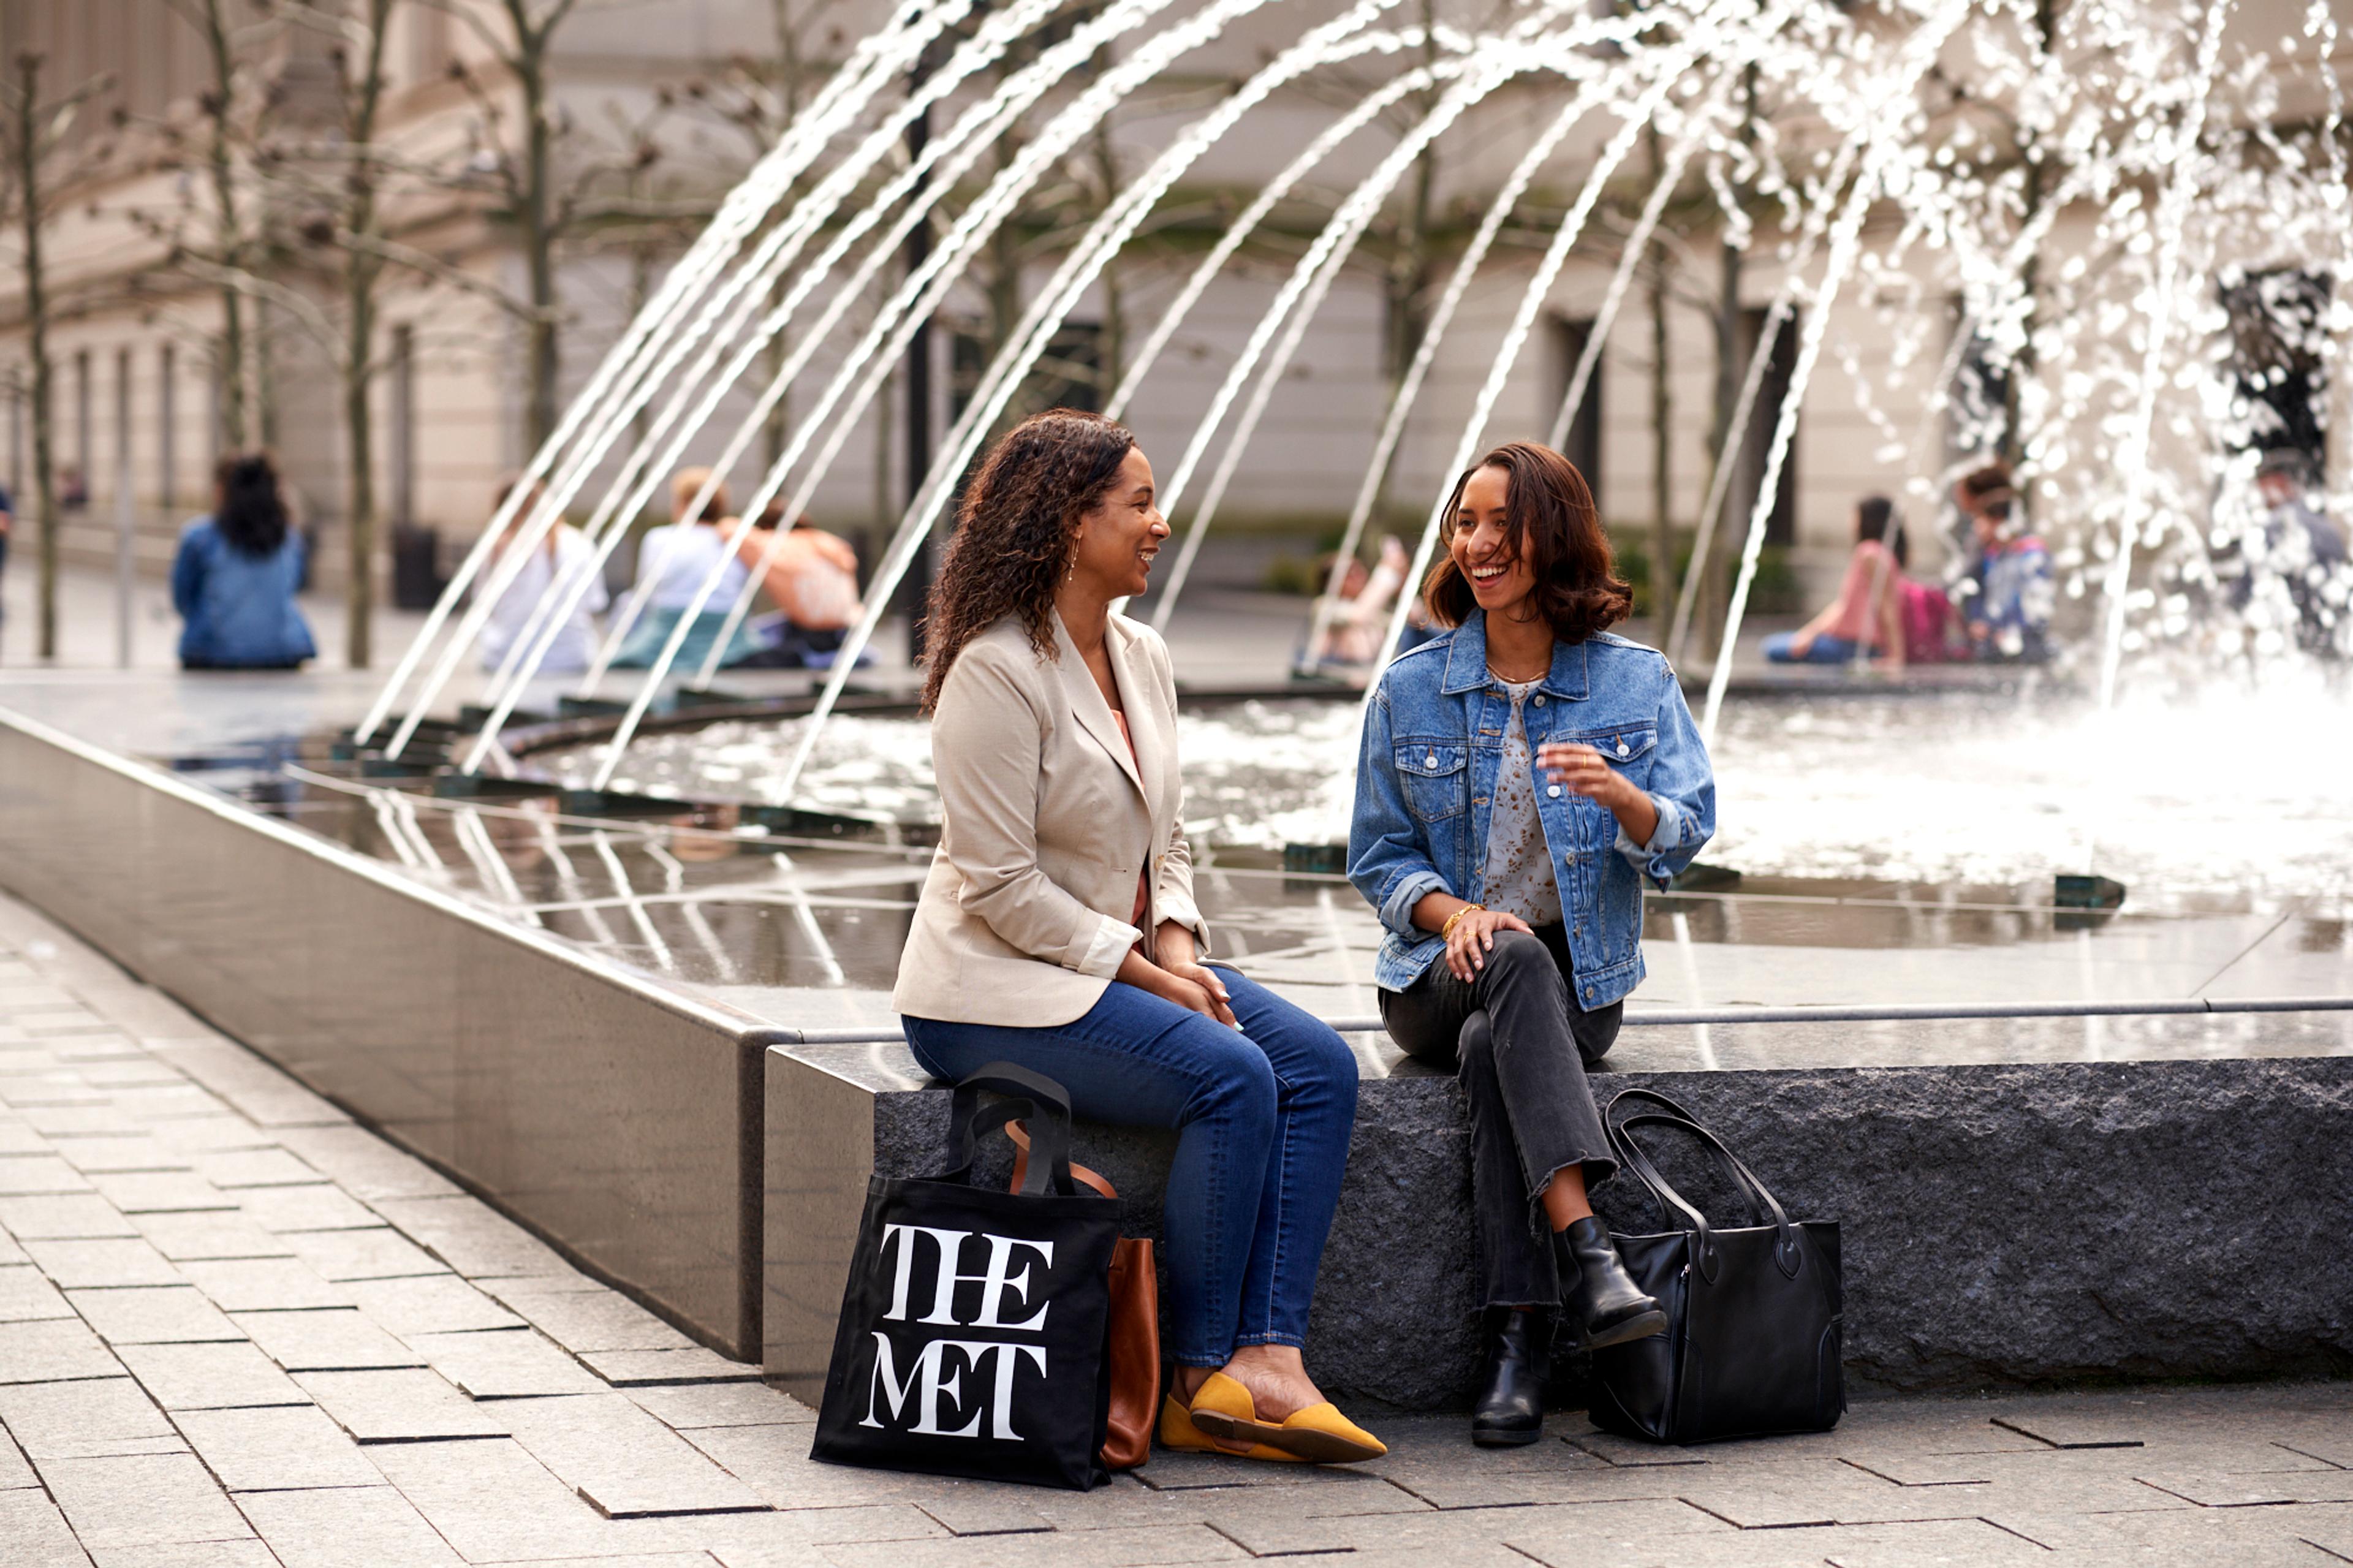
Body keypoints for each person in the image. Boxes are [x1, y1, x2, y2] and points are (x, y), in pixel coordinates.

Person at [892, 408, 1381, 1467]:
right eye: (1141, 503)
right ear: (1073, 523)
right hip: (988, 989)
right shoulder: (994, 667)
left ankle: (1268, 1352)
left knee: (1318, 1064)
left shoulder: (1141, 653)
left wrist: (1181, 943)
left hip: (1125, 963)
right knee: (1231, 1076)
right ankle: (1198, 1377)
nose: (1161, 524)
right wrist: (1148, 974)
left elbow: (1173, 835)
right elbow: (999, 880)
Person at [1349, 441, 1715, 1449]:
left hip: (1576, 983)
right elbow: (1377, 857)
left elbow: (1690, 828)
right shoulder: (1411, 689)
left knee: (1494, 1043)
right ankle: (1590, 1256)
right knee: (1500, 964)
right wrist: (1451, 912)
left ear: (1548, 535)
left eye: (1497, 522)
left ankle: (1517, 1335)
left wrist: (1629, 800)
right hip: (1436, 975)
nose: (1475, 542)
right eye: (1463, 522)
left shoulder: (1634, 682)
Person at [611, 468, 771, 670]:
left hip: (668, 629)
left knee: (619, 658)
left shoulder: (659, 538)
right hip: (727, 633)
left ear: (683, 503)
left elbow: (646, 592)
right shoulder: (737, 539)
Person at [170, 453, 317, 670]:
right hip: (283, 652)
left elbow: (183, 599)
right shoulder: (289, 539)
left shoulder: (200, 538)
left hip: (212, 653)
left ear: (222, 490)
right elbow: (294, 585)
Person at [477, 475, 608, 673]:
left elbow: (485, 607)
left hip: (506, 660)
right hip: (572, 657)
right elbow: (595, 603)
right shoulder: (580, 543)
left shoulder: (495, 548)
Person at [1764, 496, 1911, 671]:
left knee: (1772, 647)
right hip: (1854, 643)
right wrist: (1810, 633)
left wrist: (1896, 656)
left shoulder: (1869, 553)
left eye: (1855, 515)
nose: (1851, 520)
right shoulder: (1883, 554)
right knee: (1780, 642)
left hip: (1852, 646)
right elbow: (1849, 604)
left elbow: (1885, 607)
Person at [729, 500, 865, 668]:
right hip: (847, 627)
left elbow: (728, 528)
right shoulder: (829, 542)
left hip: (810, 633)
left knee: (749, 641)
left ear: (768, 528)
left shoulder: (776, 544)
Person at [2246, 449, 2347, 654]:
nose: (2259, 494)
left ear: (2282, 484)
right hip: (2335, 633)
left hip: (2299, 638)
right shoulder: (2324, 525)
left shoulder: (2279, 525)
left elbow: (2247, 586)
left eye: (2265, 485)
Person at [1953, 461, 2052, 662]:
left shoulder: (2029, 552)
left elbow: (2034, 600)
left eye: (1980, 520)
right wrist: (1979, 623)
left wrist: (2013, 630)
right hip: (1994, 644)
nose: (1977, 527)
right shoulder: (1994, 554)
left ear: (1997, 520)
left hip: (2023, 647)